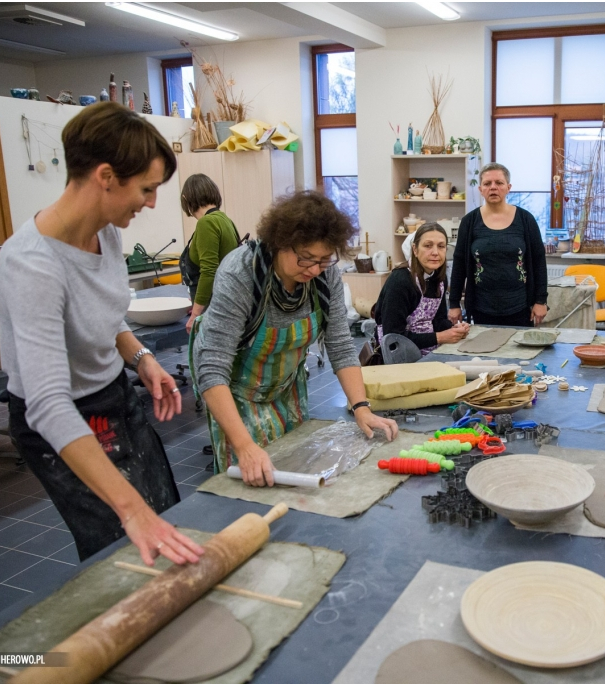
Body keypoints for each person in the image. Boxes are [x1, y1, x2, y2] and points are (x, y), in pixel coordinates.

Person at [0, 102, 204, 566]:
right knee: (123, 544)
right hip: (60, 418)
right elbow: (48, 403)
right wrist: (129, 509)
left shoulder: (106, 233)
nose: (150, 203)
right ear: (106, 177)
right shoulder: (31, 265)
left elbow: (103, 318)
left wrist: (141, 358)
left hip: (112, 395)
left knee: (165, 514)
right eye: (146, 189)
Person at [191, 191, 398, 487]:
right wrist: (245, 446)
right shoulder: (241, 275)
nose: (314, 269)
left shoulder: (324, 278)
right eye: (306, 259)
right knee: (254, 480)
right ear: (279, 243)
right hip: (236, 395)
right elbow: (211, 368)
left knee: (295, 469)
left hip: (287, 389)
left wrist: (361, 407)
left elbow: (340, 345)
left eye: (324, 260)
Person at [448, 163, 548, 328]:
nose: (493, 187)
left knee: (519, 353)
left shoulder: (525, 220)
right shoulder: (469, 222)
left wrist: (541, 300)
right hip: (481, 308)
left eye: (499, 183)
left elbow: (538, 262)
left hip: (520, 307)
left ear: (508, 187)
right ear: (481, 189)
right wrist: (453, 304)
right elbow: (459, 264)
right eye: (487, 184)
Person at [373, 223, 469, 356]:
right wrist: (440, 337)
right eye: (428, 246)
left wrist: (454, 328)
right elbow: (393, 337)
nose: (435, 252)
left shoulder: (439, 278)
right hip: (397, 357)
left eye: (441, 246)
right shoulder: (400, 281)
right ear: (415, 250)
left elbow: (438, 321)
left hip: (428, 350)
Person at [179, 173, 241, 333]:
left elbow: (209, 272)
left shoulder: (206, 223)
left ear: (186, 199)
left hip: (214, 311)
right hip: (225, 305)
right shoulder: (224, 219)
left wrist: (196, 315)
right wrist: (197, 301)